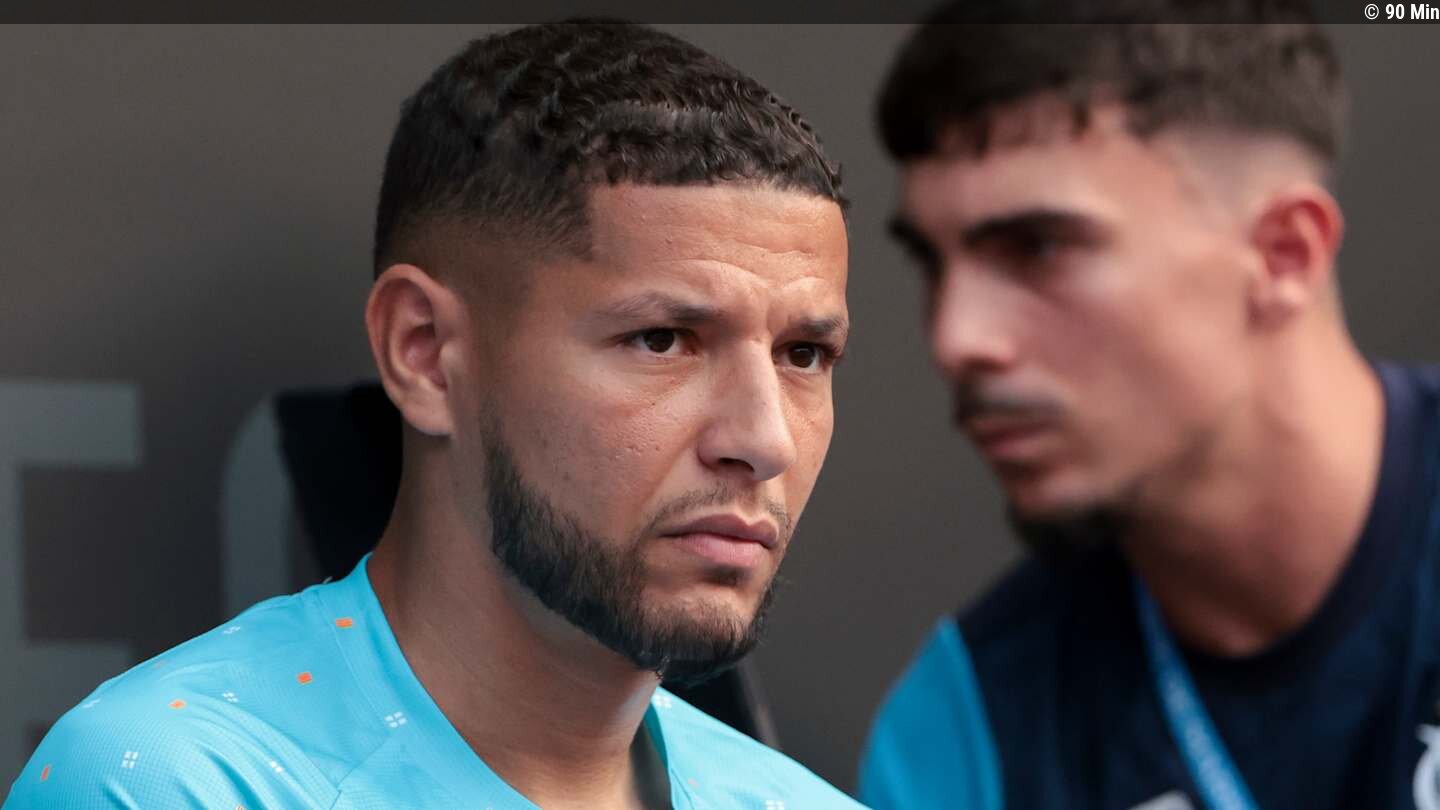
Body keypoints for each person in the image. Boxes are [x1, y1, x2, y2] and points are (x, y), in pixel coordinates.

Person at [7, 22, 860, 809]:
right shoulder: (170, 783)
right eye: (662, 339)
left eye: (803, 354)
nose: (764, 441)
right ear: (423, 352)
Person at [860, 6, 1440, 810]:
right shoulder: (961, 735)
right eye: (932, 262)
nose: (956, 338)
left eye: (1039, 247)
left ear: (1283, 256)